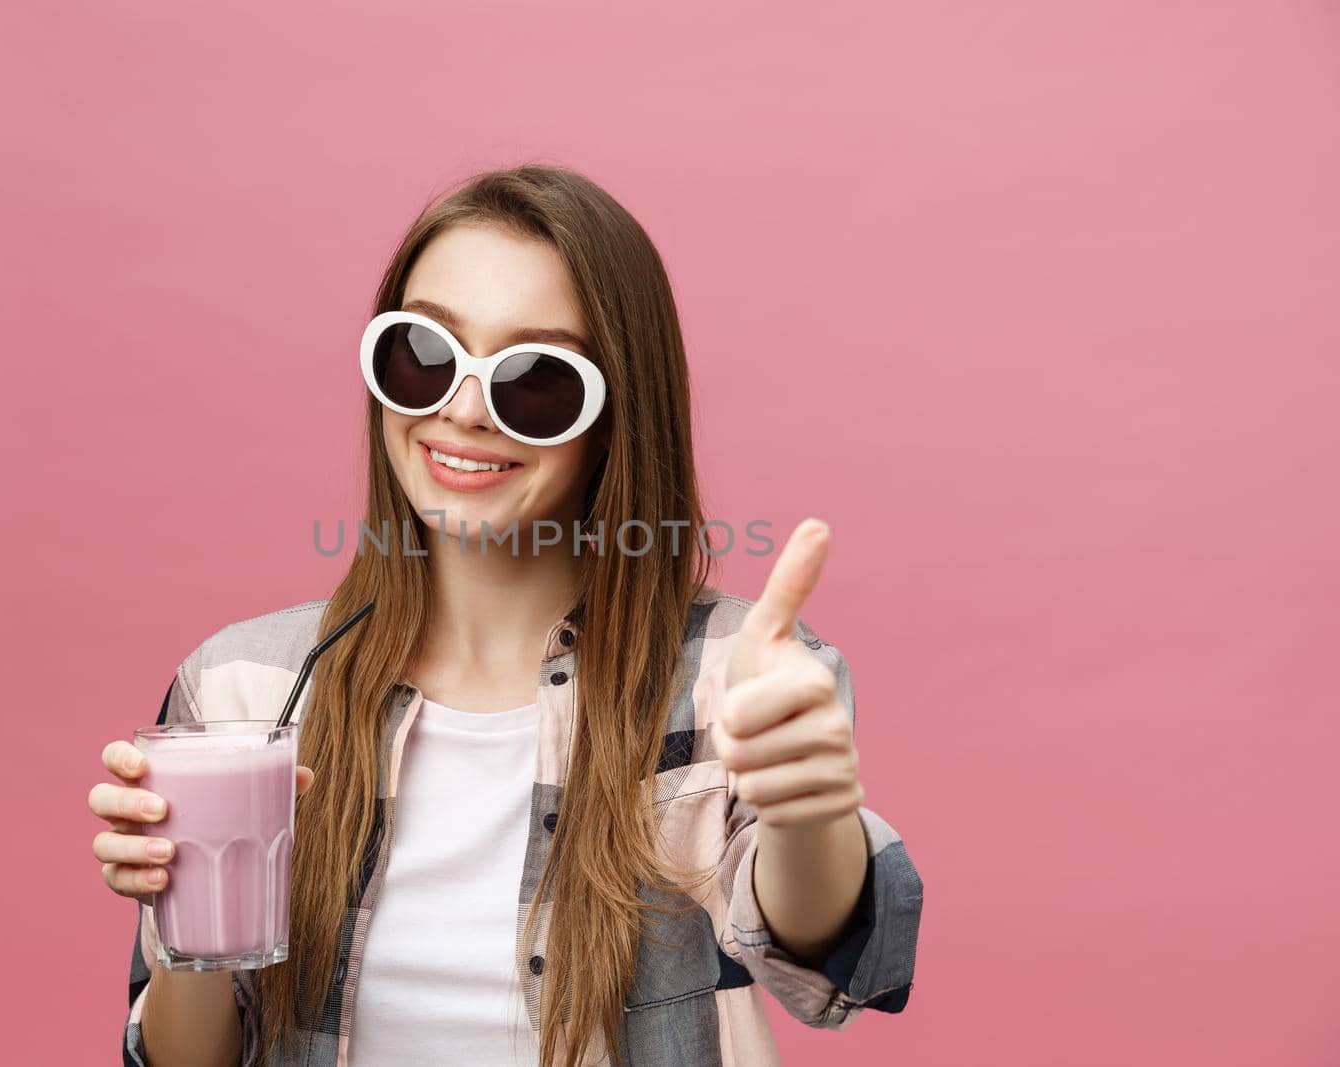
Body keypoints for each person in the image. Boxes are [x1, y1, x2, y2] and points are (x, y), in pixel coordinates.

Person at [87, 164, 924, 1067]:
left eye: (535, 380)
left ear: (614, 417)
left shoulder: (737, 673)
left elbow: (826, 963)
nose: (463, 409)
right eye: (424, 355)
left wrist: (808, 811)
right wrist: (187, 922)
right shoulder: (241, 687)